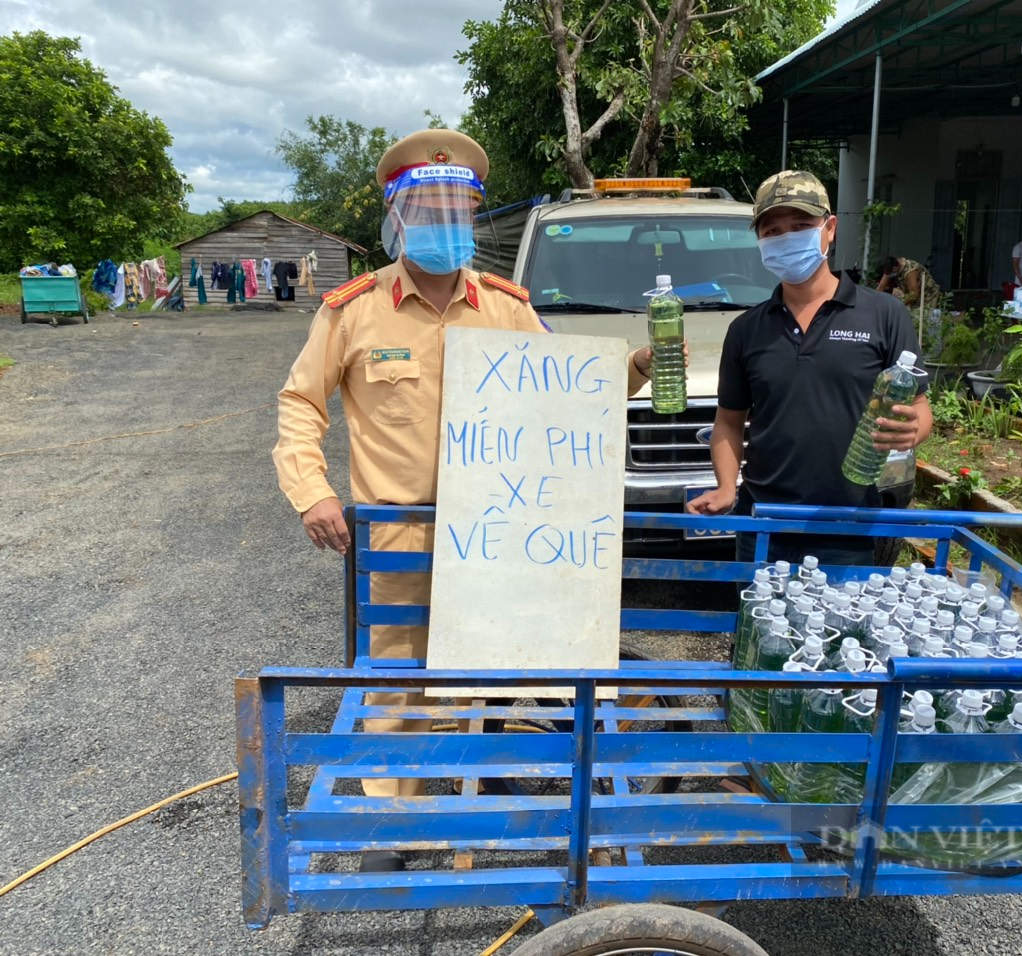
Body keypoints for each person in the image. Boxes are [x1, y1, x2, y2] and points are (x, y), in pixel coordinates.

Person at [271, 128, 659, 871]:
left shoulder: (508, 306)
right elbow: (299, 402)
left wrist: (633, 370)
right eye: (427, 207)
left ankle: (466, 808)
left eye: (458, 209)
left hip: (499, 536)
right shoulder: (353, 310)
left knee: (484, 671)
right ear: (395, 218)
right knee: (395, 680)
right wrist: (310, 489)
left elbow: (568, 386)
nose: (444, 224)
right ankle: (391, 821)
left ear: (474, 219)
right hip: (401, 538)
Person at [686, 170, 933, 567]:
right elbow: (729, 422)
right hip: (764, 522)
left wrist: (911, 431)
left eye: (801, 226)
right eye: (772, 231)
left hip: (848, 521)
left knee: (843, 630)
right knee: (758, 629)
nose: (786, 238)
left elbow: (921, 410)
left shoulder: (884, 314)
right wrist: (725, 487)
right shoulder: (747, 330)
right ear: (760, 241)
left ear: (830, 228)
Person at [876, 254, 941, 309]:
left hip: (927, 295)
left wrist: (899, 305)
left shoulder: (910, 272)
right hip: (912, 294)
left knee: (920, 318)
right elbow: (881, 287)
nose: (886, 275)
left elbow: (914, 294)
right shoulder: (890, 267)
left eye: (887, 273)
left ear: (894, 269)